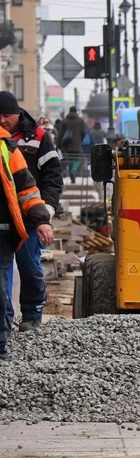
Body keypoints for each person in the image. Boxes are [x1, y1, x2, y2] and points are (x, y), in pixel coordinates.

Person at [0, 93, 63, 334]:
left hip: (29, 217)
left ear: (18, 113)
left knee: (30, 267)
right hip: (4, 217)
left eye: (7, 115)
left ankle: (32, 314)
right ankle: (5, 319)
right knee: (2, 274)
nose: (3, 120)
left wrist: (44, 212)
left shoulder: (38, 137)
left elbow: (53, 177)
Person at [57, 106, 86, 183]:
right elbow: (83, 132)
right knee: (78, 159)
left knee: (69, 160)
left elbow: (60, 134)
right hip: (77, 144)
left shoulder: (64, 121)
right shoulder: (81, 121)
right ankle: (73, 170)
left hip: (67, 145)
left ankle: (71, 173)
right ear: (76, 111)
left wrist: (58, 144)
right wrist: (80, 140)